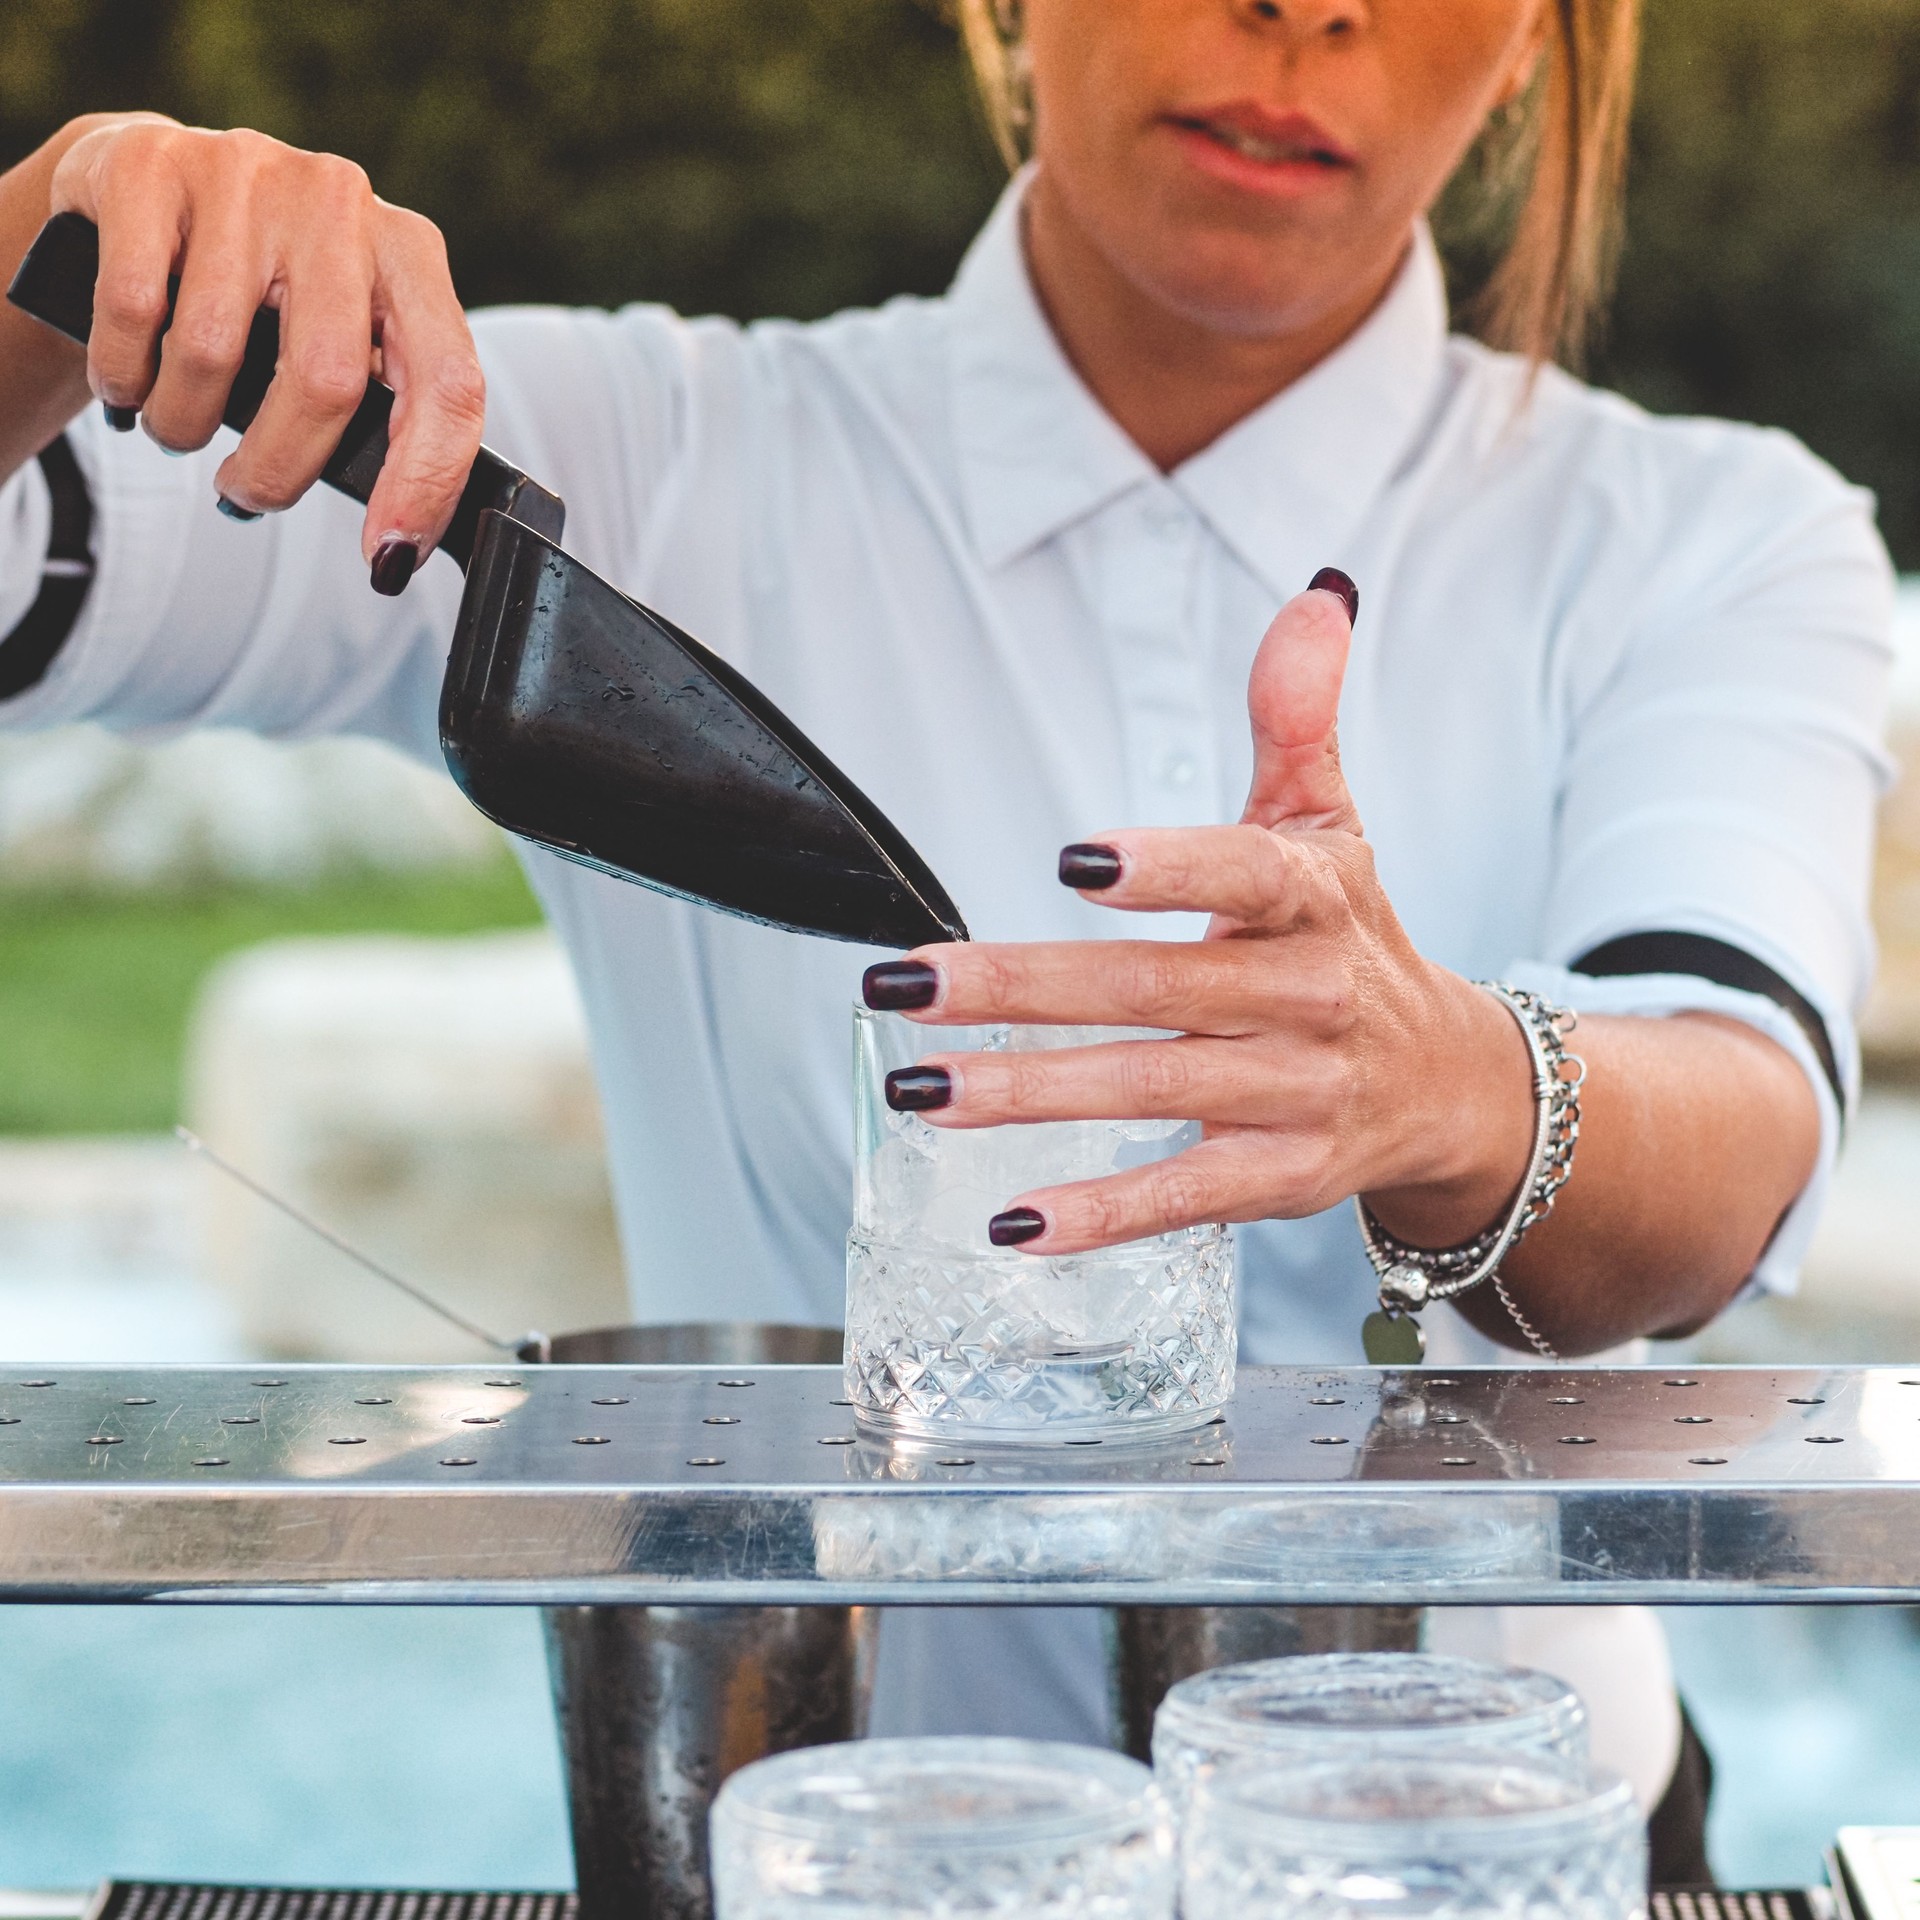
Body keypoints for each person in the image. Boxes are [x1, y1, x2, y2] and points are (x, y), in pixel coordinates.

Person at [0, 0, 1890, 1880]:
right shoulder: (609, 460)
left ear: (1543, 42)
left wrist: (1458, 1083)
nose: (1309, 7)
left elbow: (1736, 1128)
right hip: (823, 1852)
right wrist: (35, 257)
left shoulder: (1713, 535)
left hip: (1485, 1856)